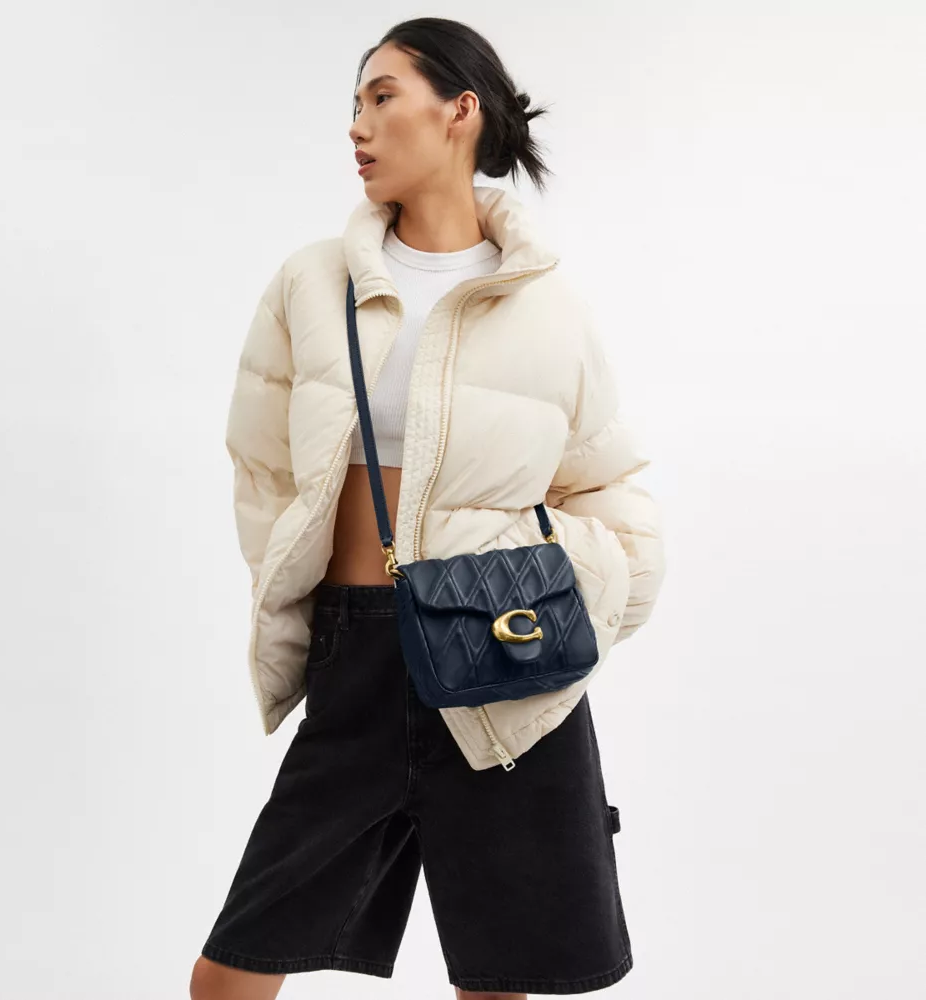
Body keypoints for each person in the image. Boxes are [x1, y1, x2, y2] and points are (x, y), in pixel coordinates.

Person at [189, 16, 666, 1000]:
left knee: (497, 978)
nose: (357, 125)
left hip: (503, 651)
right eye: (355, 104)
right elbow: (263, 464)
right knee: (231, 972)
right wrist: (296, 586)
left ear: (460, 111)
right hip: (357, 648)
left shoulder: (546, 302)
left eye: (382, 96)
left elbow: (607, 486)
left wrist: (578, 590)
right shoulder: (313, 281)